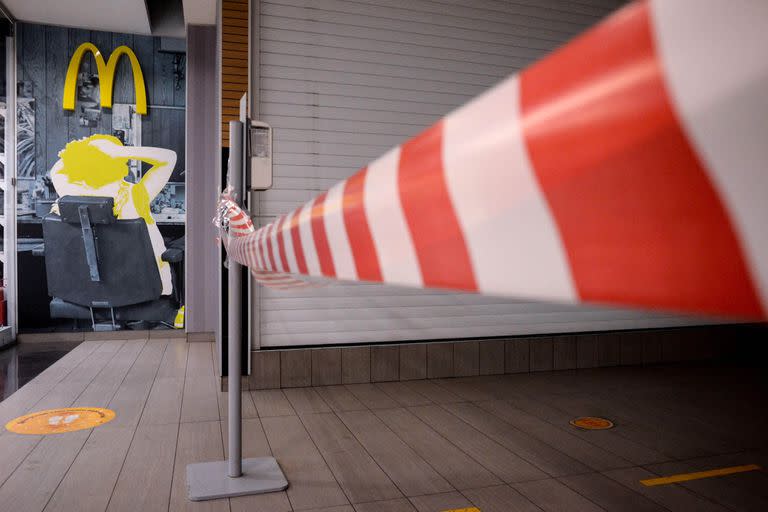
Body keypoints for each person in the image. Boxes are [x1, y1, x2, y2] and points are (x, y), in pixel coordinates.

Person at [49, 134, 177, 295]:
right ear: (120, 162)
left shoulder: (69, 193)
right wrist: (119, 151)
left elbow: (57, 168)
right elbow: (168, 157)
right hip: (141, 289)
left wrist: (86, 149)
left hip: (88, 291)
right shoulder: (136, 194)